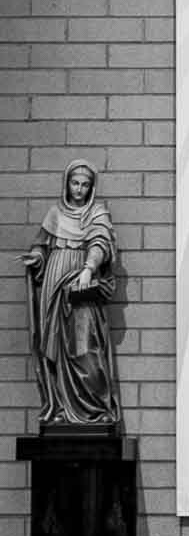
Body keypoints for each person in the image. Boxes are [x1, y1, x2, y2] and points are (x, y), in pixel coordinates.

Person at [23, 160, 121, 427]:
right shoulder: (55, 213)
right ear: (66, 183)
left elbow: (100, 242)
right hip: (54, 287)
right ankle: (62, 408)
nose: (79, 189)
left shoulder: (97, 213)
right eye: (75, 183)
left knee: (85, 348)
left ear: (92, 188)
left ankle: (95, 410)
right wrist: (36, 257)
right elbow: (41, 244)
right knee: (56, 347)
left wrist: (88, 269)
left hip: (80, 287)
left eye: (85, 185)